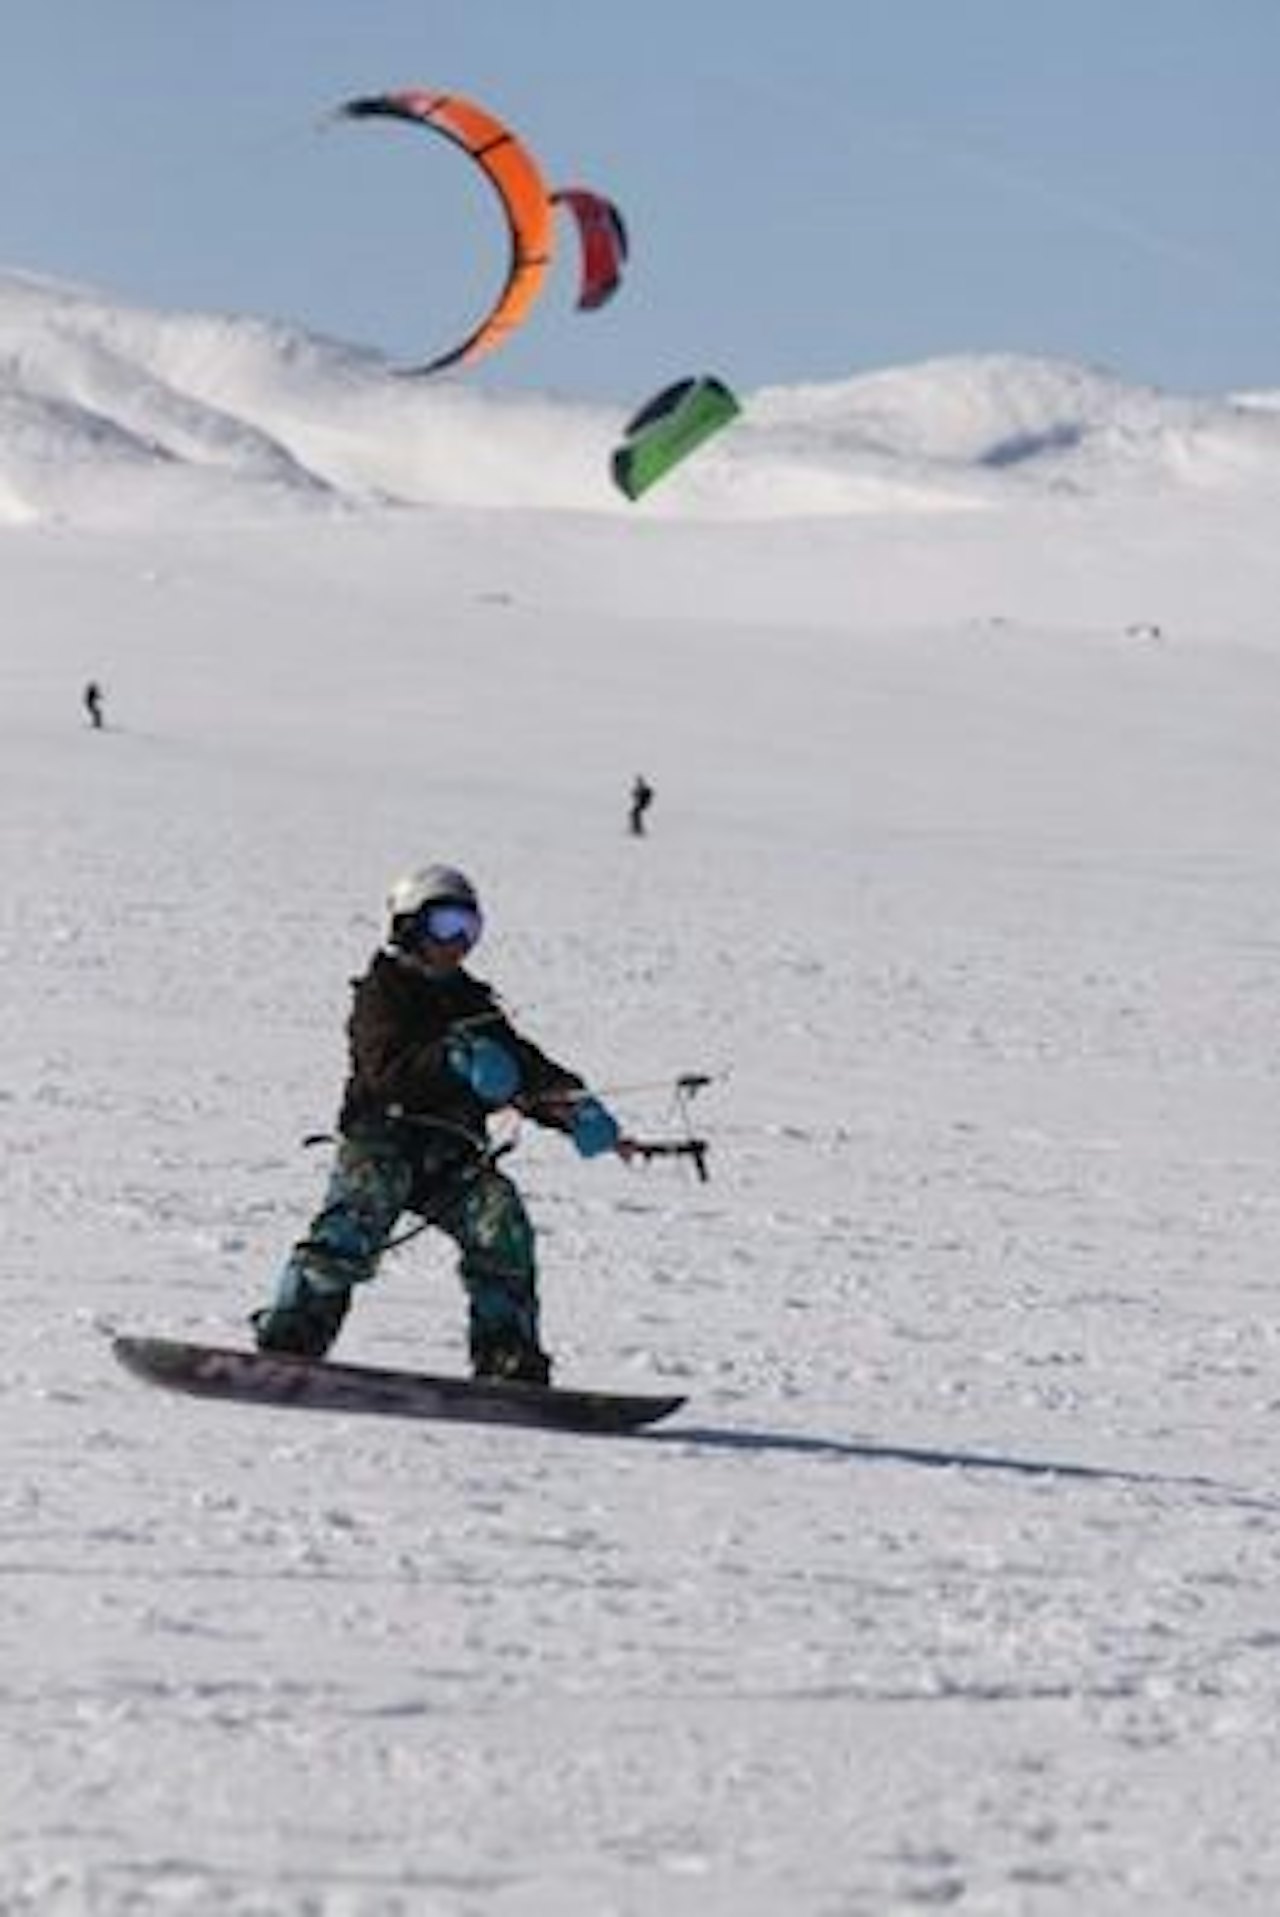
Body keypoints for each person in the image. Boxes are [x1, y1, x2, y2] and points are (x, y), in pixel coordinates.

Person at [252, 863, 630, 1383]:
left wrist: (572, 1105)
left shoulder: (472, 1000)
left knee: (501, 1223)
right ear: (409, 925)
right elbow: (382, 1069)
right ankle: (291, 1339)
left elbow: (522, 1066)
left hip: (450, 1153)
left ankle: (507, 1356)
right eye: (447, 925)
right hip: (383, 1140)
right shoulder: (383, 993)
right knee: (351, 1227)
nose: (460, 942)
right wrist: (450, 1059)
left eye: (470, 929)